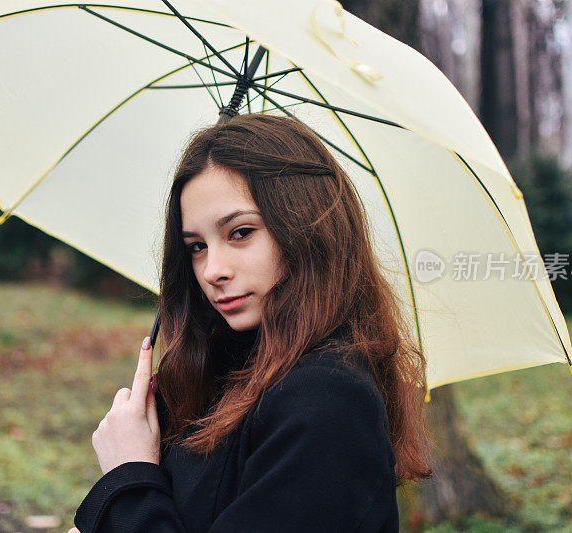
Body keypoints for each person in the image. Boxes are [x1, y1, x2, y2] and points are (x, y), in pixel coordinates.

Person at [71, 114, 432, 533]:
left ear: (308, 227)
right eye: (197, 246)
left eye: (240, 232)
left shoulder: (328, 398)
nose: (212, 270)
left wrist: (128, 478)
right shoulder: (216, 370)